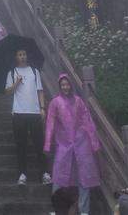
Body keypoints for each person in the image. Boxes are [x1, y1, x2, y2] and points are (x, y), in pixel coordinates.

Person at [44, 73, 101, 215]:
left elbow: (87, 121)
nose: (65, 87)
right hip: (63, 144)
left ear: (71, 85)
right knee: (58, 176)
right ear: (60, 86)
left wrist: (94, 143)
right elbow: (50, 123)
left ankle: (84, 211)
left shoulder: (79, 101)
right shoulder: (55, 102)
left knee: (85, 177)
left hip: (81, 144)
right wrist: (47, 143)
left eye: (67, 84)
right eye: (63, 84)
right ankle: (56, 209)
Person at [5, 48, 51, 185]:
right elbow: (7, 91)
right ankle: (22, 174)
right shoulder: (12, 72)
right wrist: (16, 82)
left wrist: (42, 108)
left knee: (39, 144)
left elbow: (40, 90)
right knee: (21, 145)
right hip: (19, 112)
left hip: (34, 112)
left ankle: (44, 173)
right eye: (19, 54)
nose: (22, 56)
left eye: (24, 54)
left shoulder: (34, 71)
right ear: (16, 57)